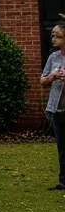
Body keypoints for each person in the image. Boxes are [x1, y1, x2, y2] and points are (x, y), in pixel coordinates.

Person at [43, 22, 65, 191]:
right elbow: (42, 81)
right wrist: (52, 76)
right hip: (57, 108)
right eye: (53, 36)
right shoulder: (53, 57)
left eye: (58, 36)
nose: (54, 39)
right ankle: (63, 180)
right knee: (61, 146)